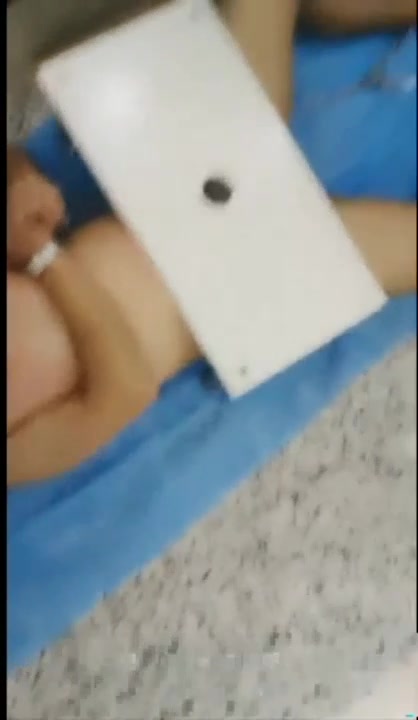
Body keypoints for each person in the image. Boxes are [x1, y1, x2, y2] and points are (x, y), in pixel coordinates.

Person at [7, 0, 417, 486]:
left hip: (186, 188)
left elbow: (14, 170)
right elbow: (125, 392)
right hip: (241, 283)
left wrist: (21, 187)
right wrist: (46, 260)